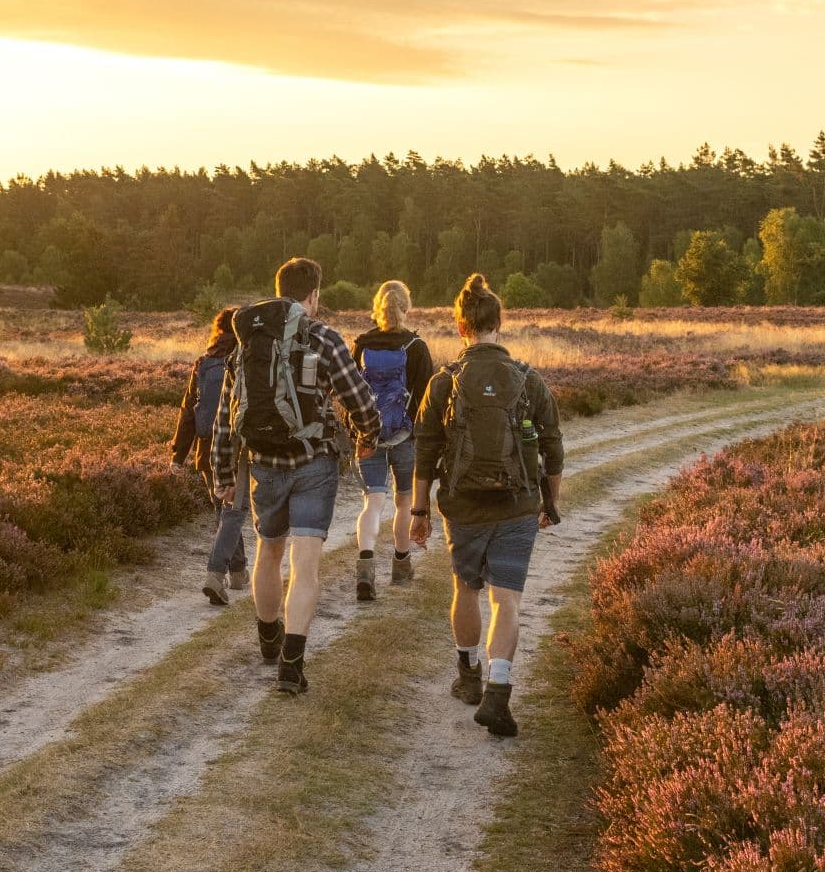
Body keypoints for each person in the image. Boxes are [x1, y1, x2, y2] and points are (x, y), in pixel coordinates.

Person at [207, 256, 384, 695]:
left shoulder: (245, 341)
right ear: (313, 295)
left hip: (264, 464)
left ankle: (268, 636)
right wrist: (369, 436)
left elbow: (225, 418)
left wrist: (223, 473)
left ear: (278, 288)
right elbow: (359, 398)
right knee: (305, 566)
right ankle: (291, 663)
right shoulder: (323, 337)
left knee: (269, 553)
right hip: (314, 464)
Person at [410, 273, 562, 738]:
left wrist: (418, 514)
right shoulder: (528, 380)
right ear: (500, 323)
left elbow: (424, 450)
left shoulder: (443, 382)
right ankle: (498, 693)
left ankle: (468, 676)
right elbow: (553, 447)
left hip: (463, 506)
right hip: (517, 505)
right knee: (507, 599)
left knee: (466, 589)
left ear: (461, 328)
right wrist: (549, 503)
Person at [349, 280, 435, 602]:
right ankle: (400, 565)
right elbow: (426, 400)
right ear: (406, 307)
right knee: (403, 501)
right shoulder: (416, 347)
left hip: (368, 435)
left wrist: (357, 428)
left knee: (372, 502)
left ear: (377, 307)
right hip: (405, 437)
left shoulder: (361, 344)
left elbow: (349, 393)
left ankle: (366, 569)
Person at [169, 308, 248, 606]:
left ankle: (238, 573)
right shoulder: (243, 358)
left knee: (224, 510)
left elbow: (188, 410)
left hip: (205, 448)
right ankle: (216, 576)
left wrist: (179, 455)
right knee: (231, 512)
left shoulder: (203, 363)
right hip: (236, 449)